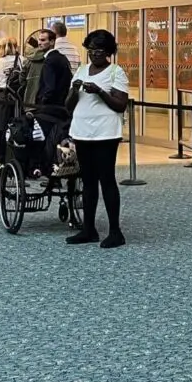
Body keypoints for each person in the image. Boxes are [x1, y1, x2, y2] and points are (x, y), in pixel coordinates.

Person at [65, 28, 129, 249]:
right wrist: (74, 91)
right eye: (91, 50)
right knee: (88, 181)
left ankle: (115, 231)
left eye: (100, 51)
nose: (95, 54)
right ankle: (88, 228)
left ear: (109, 51)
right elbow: (68, 106)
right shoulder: (81, 70)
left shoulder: (115, 72)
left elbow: (121, 104)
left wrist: (100, 91)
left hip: (106, 133)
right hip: (82, 131)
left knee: (107, 180)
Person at [0, 38, 23, 169]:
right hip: (17, 98)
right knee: (16, 127)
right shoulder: (21, 60)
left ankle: (0, 159)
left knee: (1, 129)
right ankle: (15, 158)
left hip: (0, 98)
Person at [35, 28, 73, 107]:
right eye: (39, 40)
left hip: (50, 106)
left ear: (52, 42)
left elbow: (49, 87)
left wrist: (43, 102)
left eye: (43, 40)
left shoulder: (50, 60)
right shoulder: (62, 57)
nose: (39, 43)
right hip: (61, 104)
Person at [19, 35, 46, 109]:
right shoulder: (48, 58)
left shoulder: (28, 60)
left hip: (29, 99)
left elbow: (22, 78)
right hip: (44, 101)